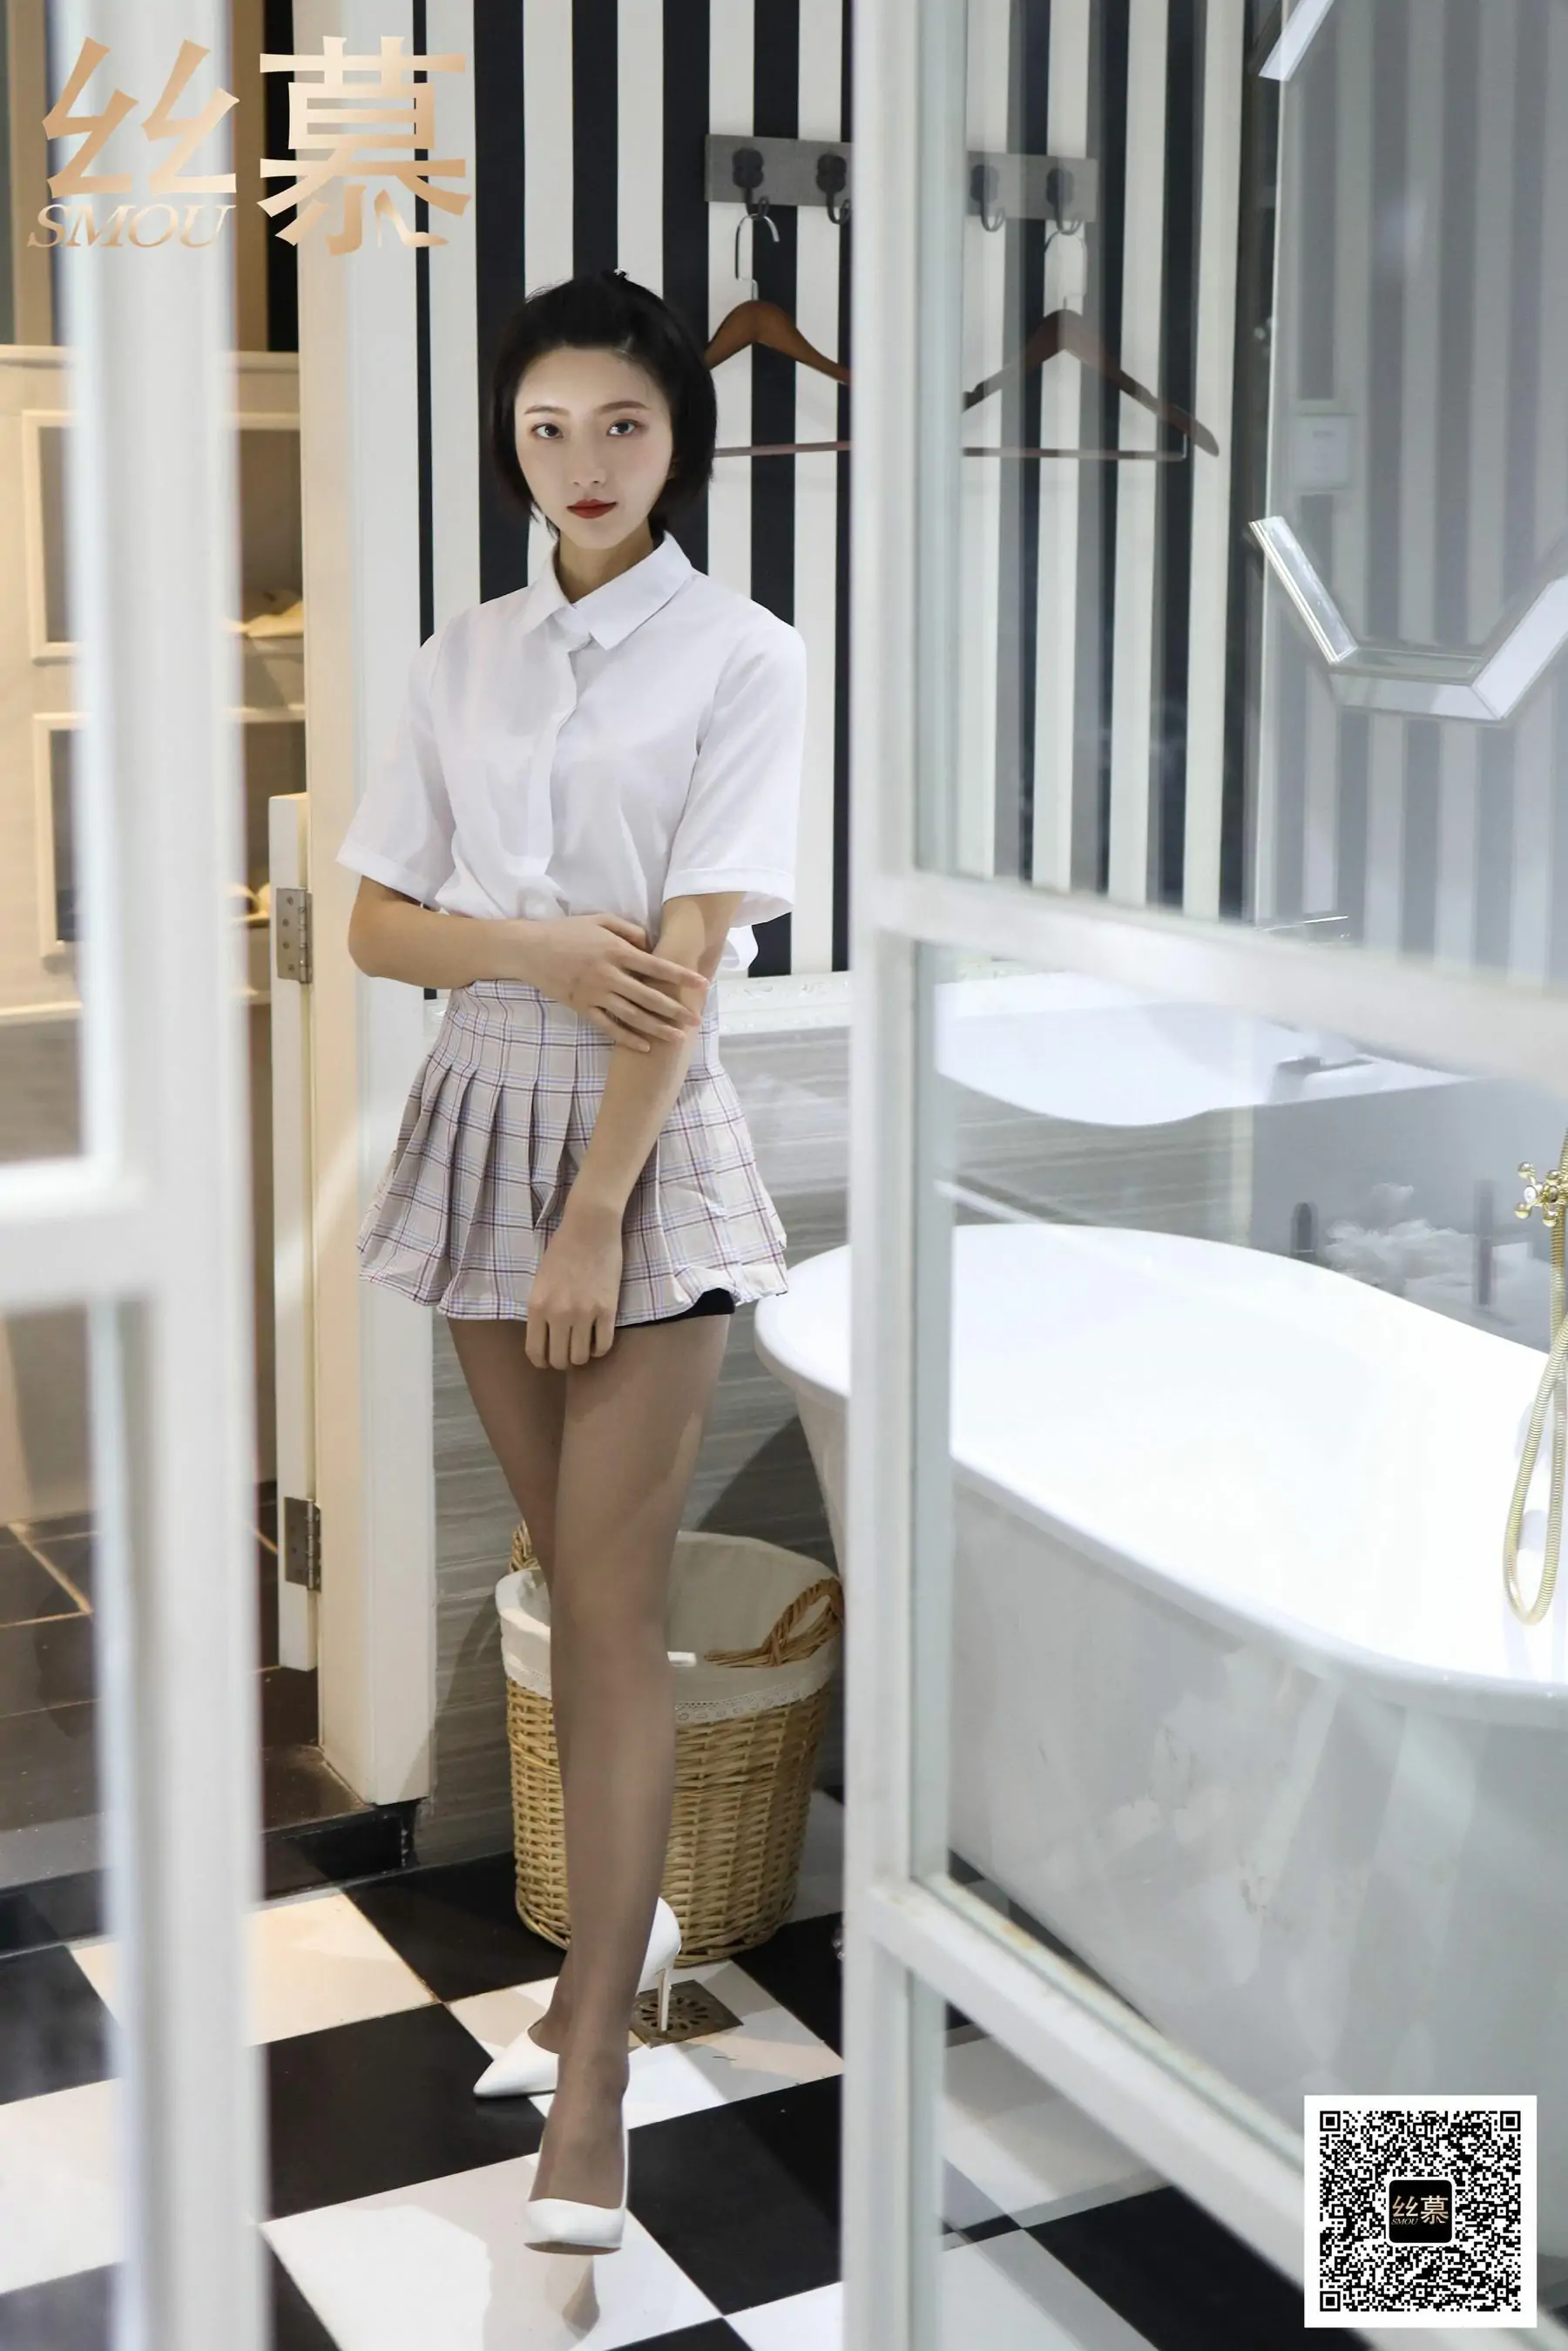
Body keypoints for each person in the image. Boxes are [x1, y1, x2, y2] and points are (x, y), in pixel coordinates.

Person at [337, 267, 808, 2251]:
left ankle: (595, 2063)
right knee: (565, 1580)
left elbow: (684, 962)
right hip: (480, 1110)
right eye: (548, 428)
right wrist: (524, 942)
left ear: (676, 436)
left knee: (609, 1612)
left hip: (640, 1139)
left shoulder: (747, 654)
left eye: (622, 423)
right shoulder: (465, 654)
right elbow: (374, 922)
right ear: (509, 443)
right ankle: (610, 1960)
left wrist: (600, 1214)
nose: (585, 461)